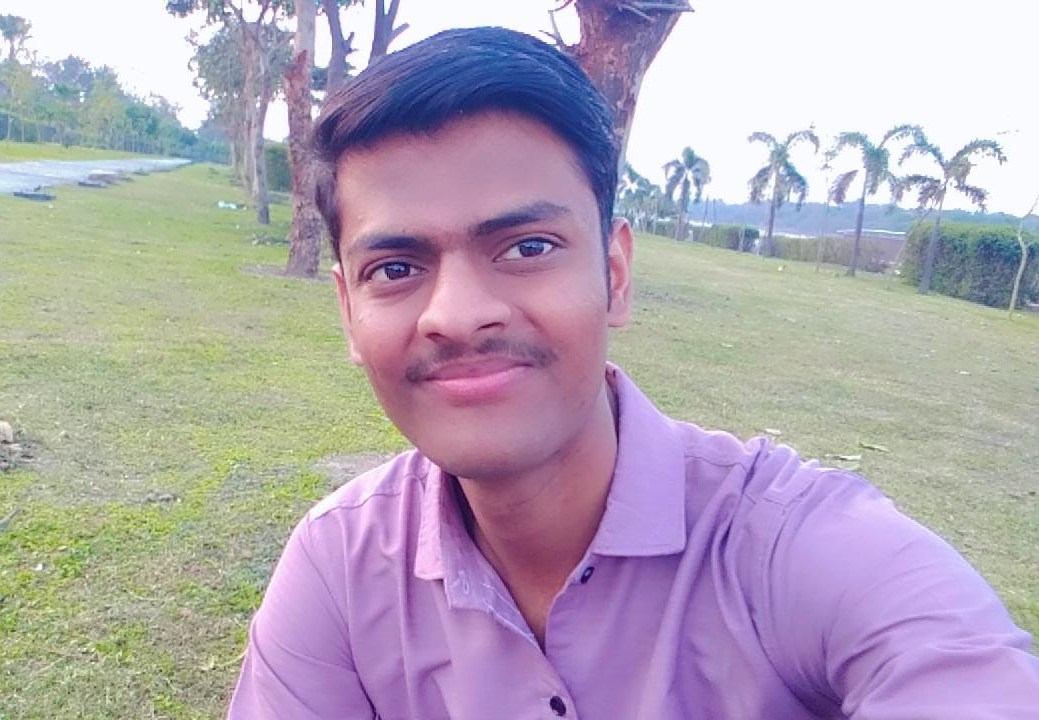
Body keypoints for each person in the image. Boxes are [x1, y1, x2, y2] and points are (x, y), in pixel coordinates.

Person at [229, 27, 1039, 719]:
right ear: (348, 310)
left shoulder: (794, 552)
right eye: (396, 268)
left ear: (614, 275)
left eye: (527, 247)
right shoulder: (340, 567)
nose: (457, 315)